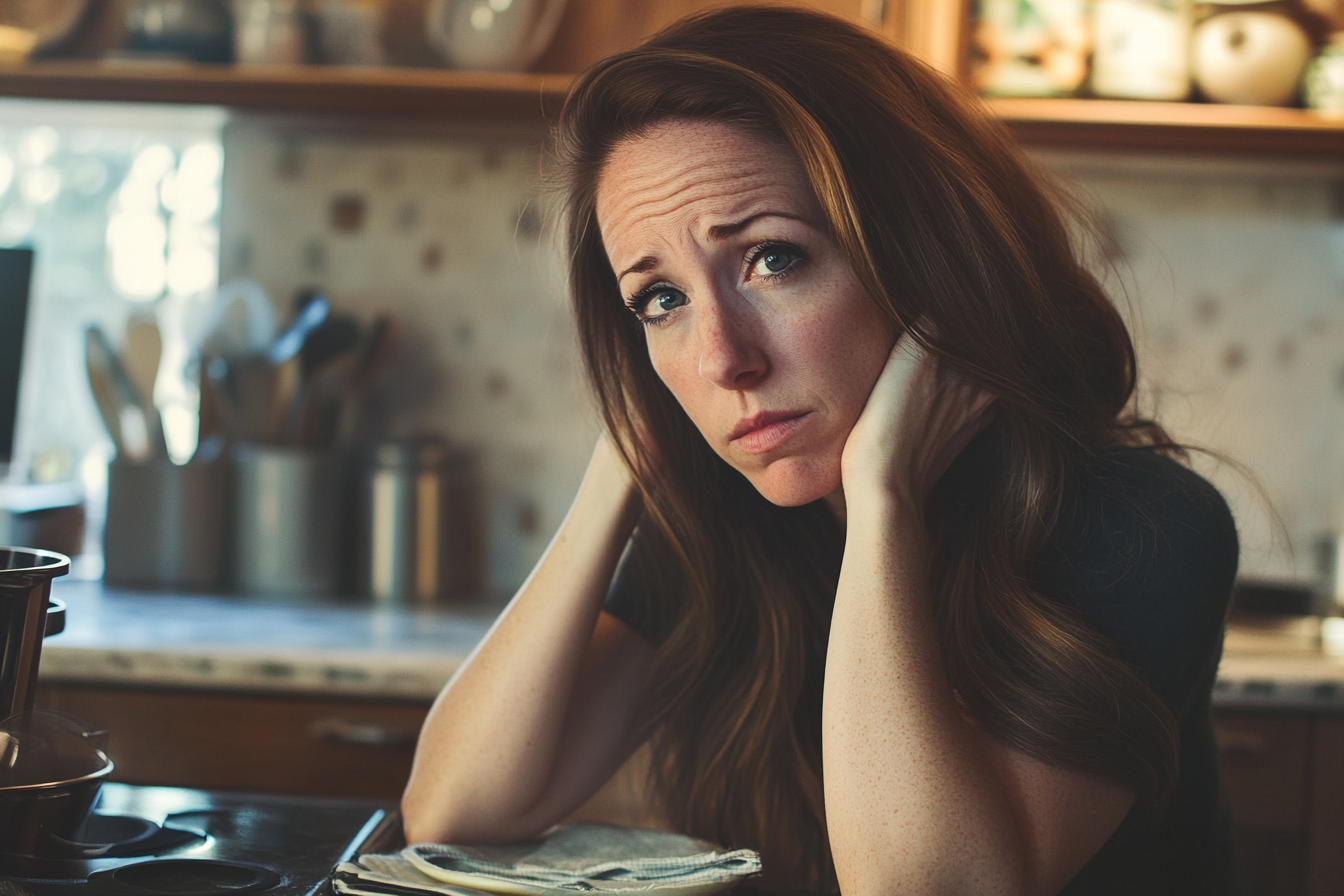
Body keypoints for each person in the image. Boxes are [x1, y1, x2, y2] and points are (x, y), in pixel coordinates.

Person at [401, 7, 1239, 894]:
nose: (724, 359)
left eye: (772, 258)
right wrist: (630, 455)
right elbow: (453, 810)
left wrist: (885, 504)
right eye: (660, 302)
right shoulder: (732, 531)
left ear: (926, 256)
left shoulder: (1143, 525)